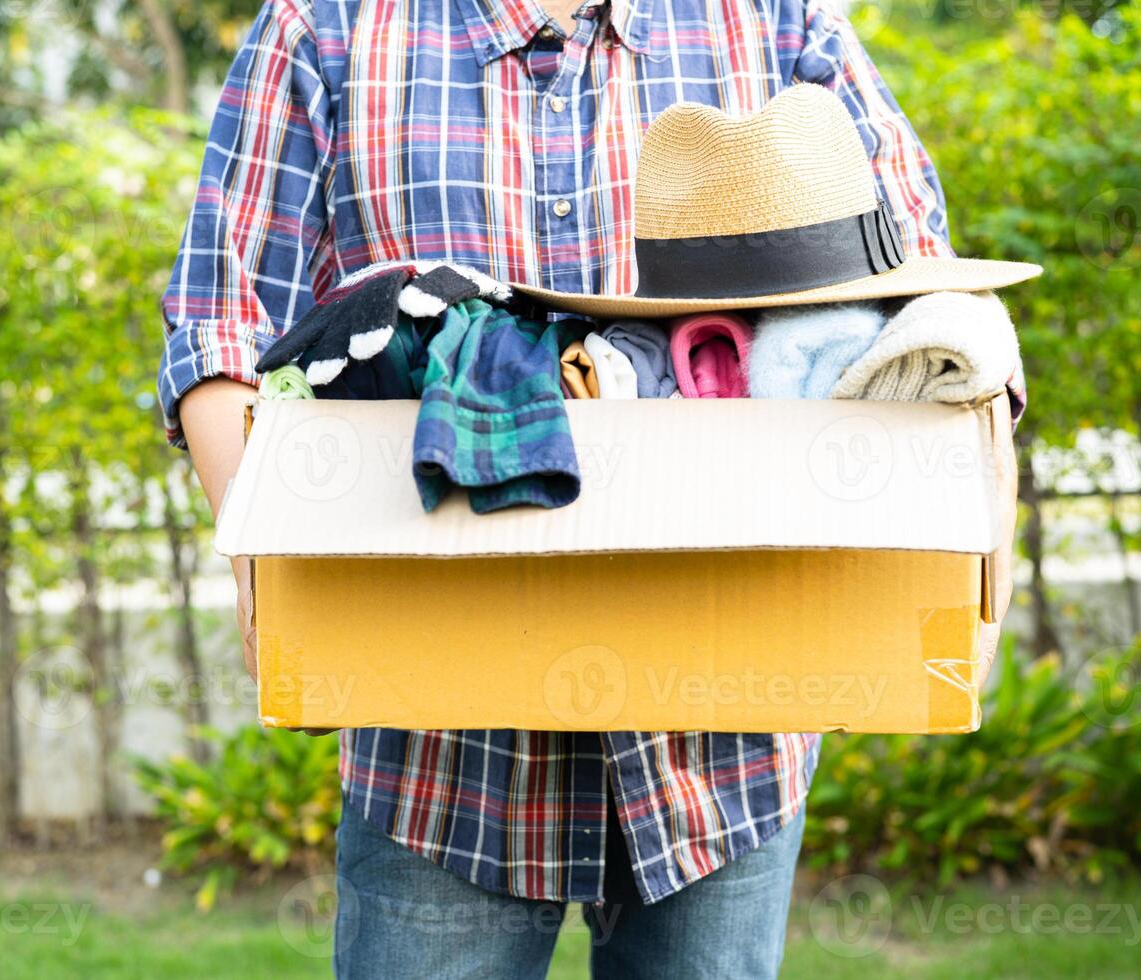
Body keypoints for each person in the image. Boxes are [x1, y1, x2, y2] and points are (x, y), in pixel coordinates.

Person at [158, 1, 1016, 976]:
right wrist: (282, 576)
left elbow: (944, 315)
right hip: (435, 751)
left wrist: (982, 572)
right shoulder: (329, 25)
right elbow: (217, 324)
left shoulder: (774, 16)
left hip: (723, 751)